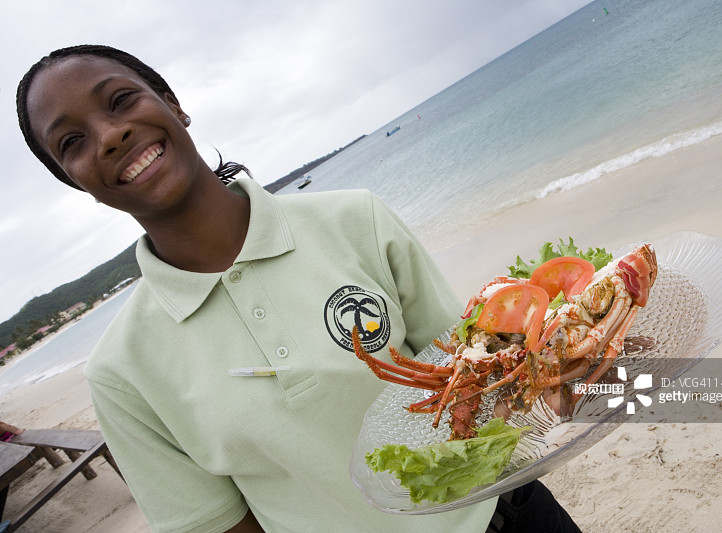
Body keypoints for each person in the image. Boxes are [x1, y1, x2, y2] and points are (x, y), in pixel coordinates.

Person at [16, 45, 580, 533]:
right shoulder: (121, 371)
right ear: (77, 182)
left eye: (120, 101)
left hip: (509, 513)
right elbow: (215, 523)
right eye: (72, 142)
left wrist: (599, 377)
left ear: (173, 103)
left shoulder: (356, 220)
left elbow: (484, 372)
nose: (110, 135)